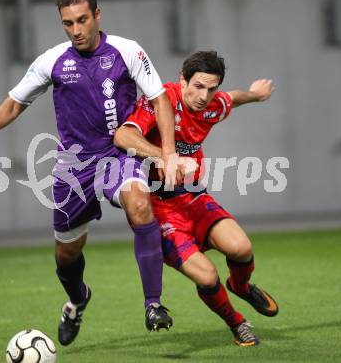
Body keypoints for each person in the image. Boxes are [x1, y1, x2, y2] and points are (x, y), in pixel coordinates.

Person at [0, 0, 178, 346]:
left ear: (97, 15)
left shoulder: (127, 51)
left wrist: (167, 152)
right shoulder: (53, 60)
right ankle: (77, 301)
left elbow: (159, 98)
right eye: (67, 23)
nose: (75, 30)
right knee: (66, 254)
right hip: (74, 166)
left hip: (119, 155)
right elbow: (16, 101)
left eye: (82, 20)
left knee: (140, 203)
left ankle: (153, 303)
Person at [114, 50, 278, 346]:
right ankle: (236, 322)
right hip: (158, 209)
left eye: (211, 88)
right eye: (198, 86)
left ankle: (241, 286)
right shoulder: (162, 99)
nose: (204, 95)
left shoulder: (213, 105)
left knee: (241, 248)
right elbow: (123, 137)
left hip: (191, 198)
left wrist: (255, 94)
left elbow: (233, 98)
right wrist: (167, 156)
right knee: (207, 277)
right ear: (183, 80)